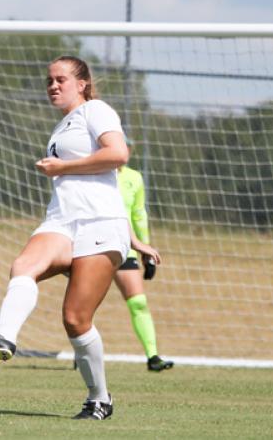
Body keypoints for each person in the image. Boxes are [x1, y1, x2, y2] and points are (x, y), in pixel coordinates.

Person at [0, 55, 161, 421]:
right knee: (23, 265)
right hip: (62, 221)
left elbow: (118, 154)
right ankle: (3, 337)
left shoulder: (96, 110)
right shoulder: (62, 127)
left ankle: (100, 398)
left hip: (98, 225)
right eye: (49, 80)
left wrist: (62, 167)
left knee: (75, 320)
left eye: (60, 79)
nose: (52, 85)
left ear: (82, 83)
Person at [114, 139, 174, 372]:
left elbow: (139, 215)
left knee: (138, 302)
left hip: (124, 249)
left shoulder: (134, 178)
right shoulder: (95, 174)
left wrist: (146, 251)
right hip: (94, 248)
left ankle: (153, 356)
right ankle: (83, 351)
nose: (124, 150)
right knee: (85, 306)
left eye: (127, 147)